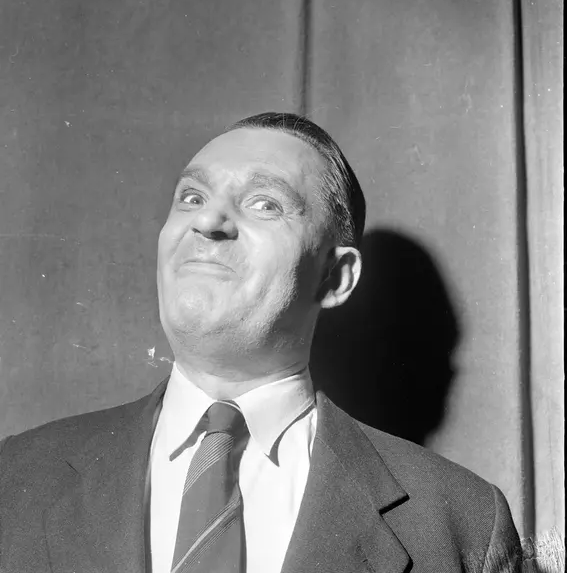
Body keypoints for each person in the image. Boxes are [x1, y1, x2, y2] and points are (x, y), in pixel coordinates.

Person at [0, 112, 522, 572]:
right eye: (192, 197)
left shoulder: (464, 523)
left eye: (265, 204)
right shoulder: (15, 478)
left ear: (336, 277)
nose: (207, 220)